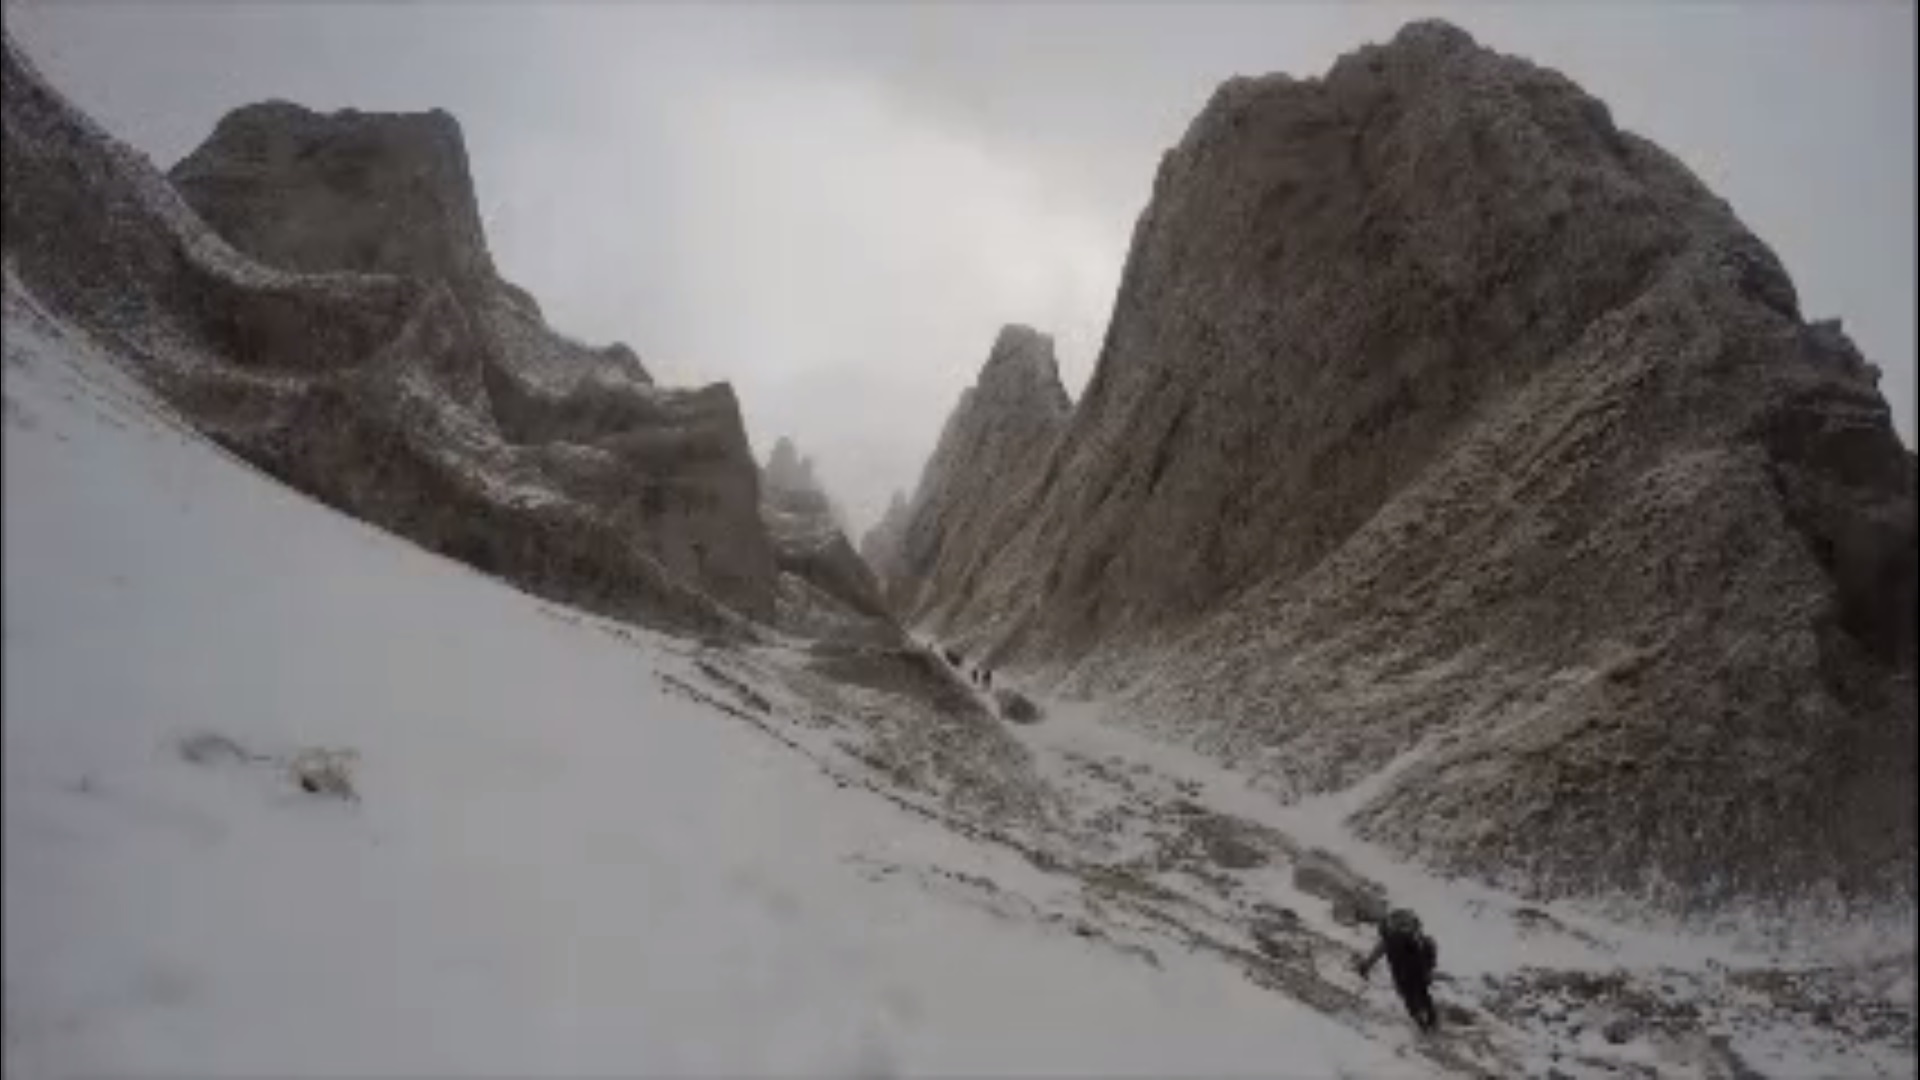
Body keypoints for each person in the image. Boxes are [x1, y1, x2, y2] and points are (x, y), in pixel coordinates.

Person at [1355, 908, 1439, 1032]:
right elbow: (1427, 948)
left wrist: (1366, 966)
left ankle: (1422, 1023)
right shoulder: (1416, 935)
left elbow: (1380, 950)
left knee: (1408, 994)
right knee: (1421, 991)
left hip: (1401, 967)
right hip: (1417, 963)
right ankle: (1431, 1020)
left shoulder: (1390, 936)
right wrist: (1429, 968)